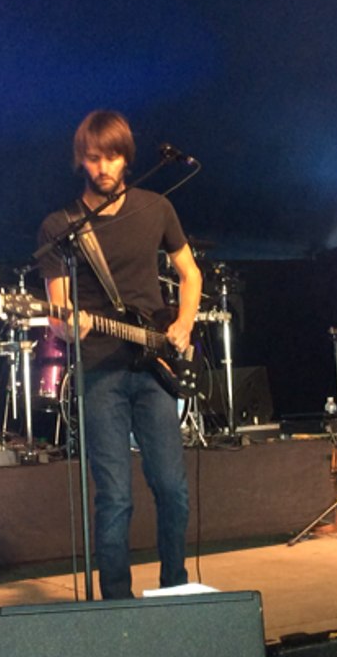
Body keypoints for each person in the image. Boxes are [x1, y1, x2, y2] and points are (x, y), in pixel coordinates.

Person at [36, 110, 201, 599]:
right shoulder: (61, 227)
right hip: (99, 373)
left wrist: (183, 325)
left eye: (112, 157)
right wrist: (70, 326)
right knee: (115, 497)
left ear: (126, 157)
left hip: (156, 367)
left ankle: (174, 588)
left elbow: (191, 273)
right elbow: (57, 315)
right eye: (93, 158)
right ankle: (116, 604)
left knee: (172, 488)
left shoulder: (156, 207)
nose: (103, 167)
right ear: (80, 161)